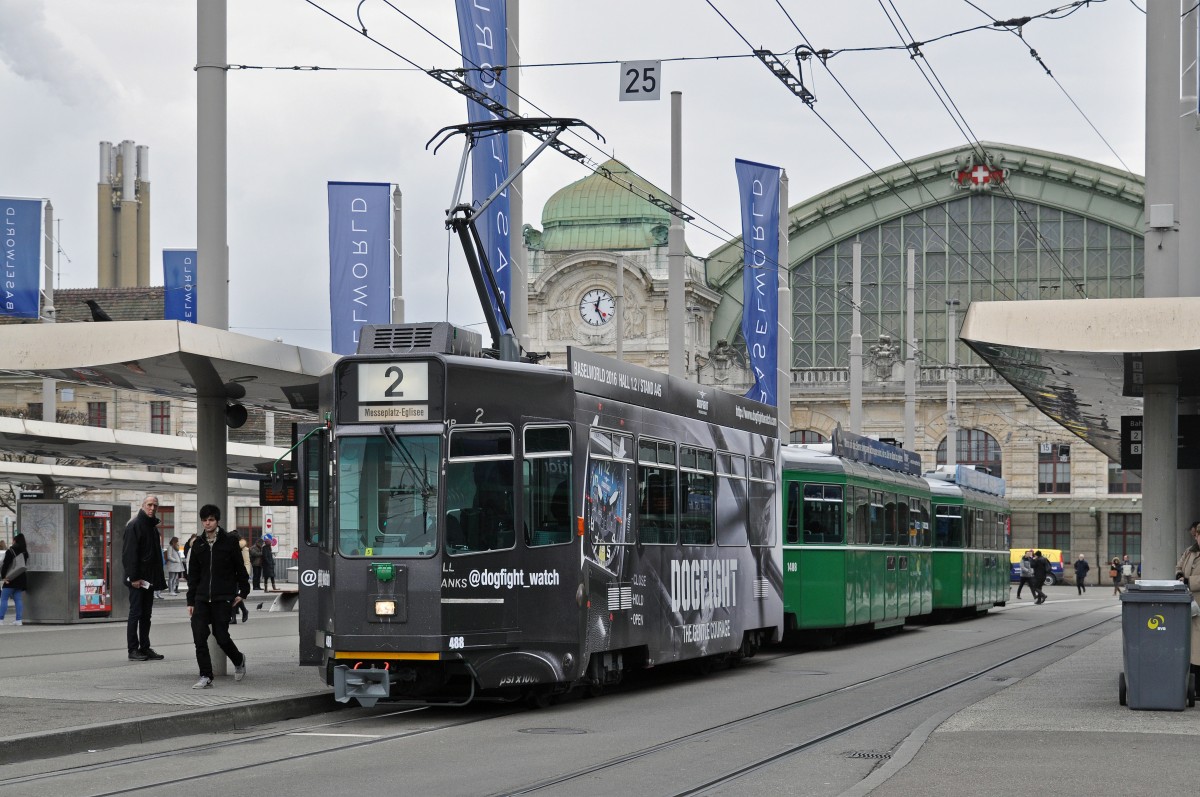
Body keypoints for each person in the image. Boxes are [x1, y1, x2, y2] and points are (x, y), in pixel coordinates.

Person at [186, 505, 249, 689]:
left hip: (223, 597)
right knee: (199, 636)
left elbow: (240, 569)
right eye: (204, 520)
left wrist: (243, 592)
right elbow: (193, 576)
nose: (207, 523)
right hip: (201, 598)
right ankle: (205, 675)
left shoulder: (229, 542)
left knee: (221, 636)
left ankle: (238, 660)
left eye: (211, 519)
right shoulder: (198, 544)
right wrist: (190, 600)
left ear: (217, 521)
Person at [122, 495, 167, 661]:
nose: (152, 508)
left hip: (149, 580)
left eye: (155, 505)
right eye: (149, 505)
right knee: (136, 613)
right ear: (143, 505)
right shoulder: (134, 525)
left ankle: (145, 647)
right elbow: (129, 555)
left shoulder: (151, 527)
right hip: (137, 580)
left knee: (146, 615)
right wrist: (133, 578)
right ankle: (133, 649)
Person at [1177, 521, 1200, 686]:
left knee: (1197, 645)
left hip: (1197, 603)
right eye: (1198, 535)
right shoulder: (1189, 551)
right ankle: (1191, 683)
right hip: (1188, 602)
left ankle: (1197, 685)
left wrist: (1187, 580)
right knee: (1190, 644)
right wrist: (1179, 574)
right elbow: (1179, 565)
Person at [0, 533, 29, 625]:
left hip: (11, 578)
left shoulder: (10, 551)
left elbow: (5, 565)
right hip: (21, 578)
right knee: (18, 599)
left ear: (15, 541)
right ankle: (19, 620)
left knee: (4, 598)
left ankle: (0, 619)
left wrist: (4, 576)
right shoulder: (25, 552)